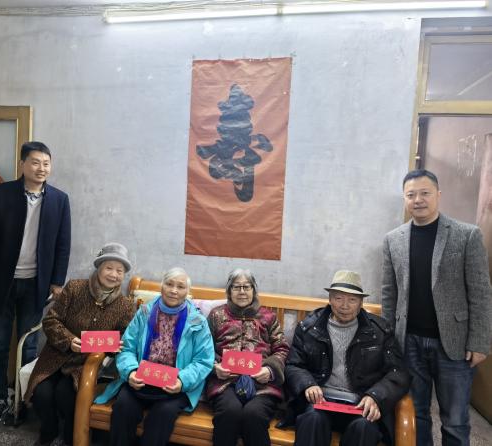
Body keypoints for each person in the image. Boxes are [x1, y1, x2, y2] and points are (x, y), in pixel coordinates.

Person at [382, 169, 492, 446]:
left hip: (454, 344)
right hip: (409, 342)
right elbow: (389, 293)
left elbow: (481, 292)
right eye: (411, 195)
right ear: (405, 199)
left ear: (438, 195)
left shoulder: (466, 235)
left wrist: (479, 342)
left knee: (455, 419)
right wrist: (389, 339)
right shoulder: (393, 239)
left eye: (425, 193)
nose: (418, 199)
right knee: (416, 413)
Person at [0, 141, 71, 425]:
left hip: (36, 285)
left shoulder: (59, 199)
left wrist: (57, 281)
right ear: (22, 164)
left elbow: (63, 244)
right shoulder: (1, 193)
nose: (41, 168)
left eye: (46, 163)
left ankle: (23, 399)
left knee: (29, 346)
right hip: (2, 282)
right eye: (35, 162)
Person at [24, 243, 135, 446]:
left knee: (66, 394)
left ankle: (71, 435)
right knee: (41, 394)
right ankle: (48, 431)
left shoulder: (126, 305)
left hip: (85, 363)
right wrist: (69, 340)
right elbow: (51, 320)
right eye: (109, 268)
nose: (114, 274)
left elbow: (124, 337)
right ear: (99, 267)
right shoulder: (75, 288)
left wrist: (111, 347)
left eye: (120, 271)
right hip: (56, 355)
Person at [284, 270, 410, 446]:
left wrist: (375, 397)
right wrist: (308, 384)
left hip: (360, 403)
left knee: (364, 428)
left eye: (352, 300)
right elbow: (293, 364)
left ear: (360, 303)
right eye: (338, 298)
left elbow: (398, 372)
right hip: (321, 401)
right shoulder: (309, 327)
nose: (345, 306)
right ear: (330, 299)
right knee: (312, 419)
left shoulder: (379, 331)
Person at [95, 267, 215, 446]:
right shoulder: (144, 312)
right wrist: (131, 372)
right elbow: (127, 347)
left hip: (174, 386)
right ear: (162, 286)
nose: (174, 290)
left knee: (162, 415)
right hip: (141, 380)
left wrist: (182, 381)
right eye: (169, 284)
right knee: (123, 408)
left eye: (180, 287)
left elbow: (204, 360)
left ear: (188, 292)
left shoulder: (197, 321)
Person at [206, 269, 289, 446]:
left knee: (254, 414)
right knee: (230, 412)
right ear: (229, 291)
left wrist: (270, 370)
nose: (242, 291)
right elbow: (203, 348)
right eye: (236, 287)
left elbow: (282, 348)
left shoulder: (268, 317)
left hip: (262, 383)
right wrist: (215, 367)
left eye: (247, 287)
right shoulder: (216, 315)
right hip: (225, 382)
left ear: (254, 290)